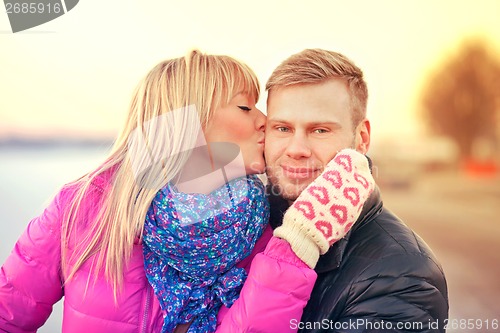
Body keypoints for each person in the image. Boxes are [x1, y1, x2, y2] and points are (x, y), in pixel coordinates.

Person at [0, 50, 374, 333]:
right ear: (188, 122)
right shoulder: (83, 207)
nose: (264, 120)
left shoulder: (260, 226)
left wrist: (297, 243)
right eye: (246, 106)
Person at [264, 48, 449, 332]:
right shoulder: (240, 232)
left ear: (361, 138)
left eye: (320, 130)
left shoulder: (401, 276)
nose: (296, 149)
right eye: (282, 128)